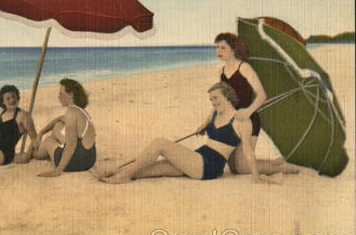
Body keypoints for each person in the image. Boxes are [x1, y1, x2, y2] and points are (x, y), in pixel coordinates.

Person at [100, 83, 278, 184]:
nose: (213, 102)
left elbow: (247, 151)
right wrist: (201, 128)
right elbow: (204, 126)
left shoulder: (241, 120)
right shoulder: (214, 113)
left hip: (209, 166)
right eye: (210, 99)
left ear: (228, 97)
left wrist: (256, 176)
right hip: (196, 158)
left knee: (159, 143)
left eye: (216, 98)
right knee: (142, 170)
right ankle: (116, 172)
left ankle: (121, 176)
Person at [211, 33, 298, 175]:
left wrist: (248, 111)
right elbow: (220, 100)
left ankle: (282, 168)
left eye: (223, 48)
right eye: (217, 47)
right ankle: (273, 162)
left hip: (248, 119)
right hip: (231, 121)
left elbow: (262, 95)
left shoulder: (244, 67)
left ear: (233, 50)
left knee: (242, 167)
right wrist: (208, 121)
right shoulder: (221, 71)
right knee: (233, 167)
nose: (218, 51)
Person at [34, 78, 96, 176]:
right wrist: (42, 132)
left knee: (48, 141)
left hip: (75, 163)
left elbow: (71, 145)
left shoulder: (71, 112)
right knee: (58, 125)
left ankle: (35, 153)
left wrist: (57, 171)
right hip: (89, 160)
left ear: (70, 95)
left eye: (61, 94)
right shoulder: (80, 111)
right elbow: (59, 119)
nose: (59, 97)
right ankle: (52, 147)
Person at [0, 85, 38, 166]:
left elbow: (35, 137)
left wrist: (28, 154)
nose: (12, 100)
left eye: (14, 96)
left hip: (3, 152)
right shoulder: (4, 113)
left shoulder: (23, 115)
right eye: (8, 98)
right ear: (3, 102)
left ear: (17, 97)